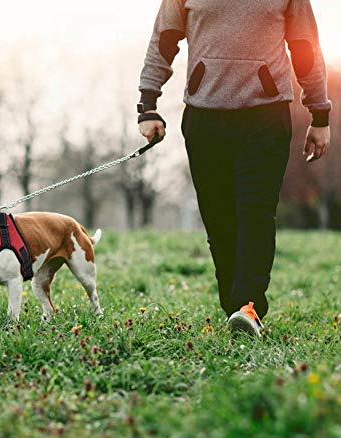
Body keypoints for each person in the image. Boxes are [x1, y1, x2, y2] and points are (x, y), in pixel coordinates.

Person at [138, 0, 331, 335]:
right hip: (204, 117)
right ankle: (235, 308)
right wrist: (148, 104)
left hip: (265, 117)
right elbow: (164, 39)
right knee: (219, 219)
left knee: (255, 212)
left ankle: (248, 305)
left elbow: (305, 46)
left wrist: (320, 114)